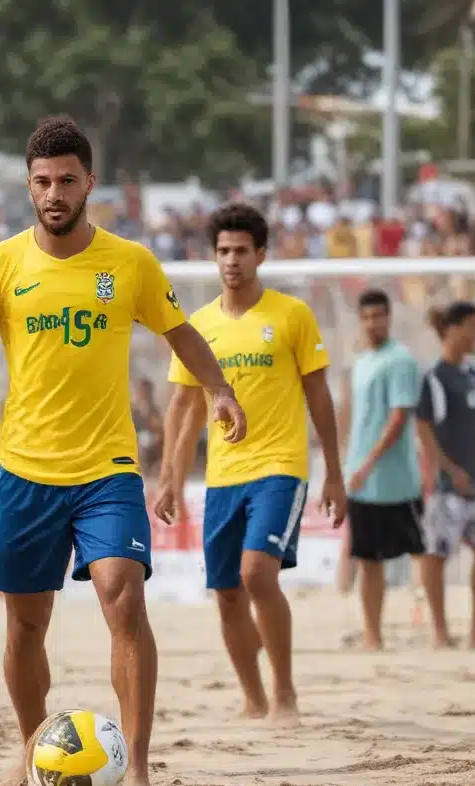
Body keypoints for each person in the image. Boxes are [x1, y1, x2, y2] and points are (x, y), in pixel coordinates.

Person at [0, 116, 245, 786]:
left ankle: (136, 766)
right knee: (24, 624)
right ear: (28, 185)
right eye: (42, 181)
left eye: (67, 180)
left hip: (107, 469)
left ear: (89, 184)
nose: (54, 191)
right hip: (25, 472)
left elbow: (181, 332)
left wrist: (219, 389)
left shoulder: (129, 263)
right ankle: (28, 743)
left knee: (122, 598)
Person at [154, 203, 345, 720]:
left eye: (241, 250)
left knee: (259, 573)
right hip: (222, 477)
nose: (231, 260)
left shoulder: (292, 316)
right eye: (222, 251)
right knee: (227, 593)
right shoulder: (198, 326)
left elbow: (320, 398)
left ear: (261, 254)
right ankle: (253, 697)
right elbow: (183, 408)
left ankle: (284, 692)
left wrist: (334, 471)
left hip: (281, 466)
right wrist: (169, 478)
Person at [342, 289, 425, 650]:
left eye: (379, 315)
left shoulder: (400, 360)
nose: (373, 322)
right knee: (368, 559)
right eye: (367, 316)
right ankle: (373, 636)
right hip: (362, 480)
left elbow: (398, 417)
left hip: (396, 480)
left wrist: (369, 461)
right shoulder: (361, 361)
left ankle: (432, 627)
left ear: (389, 318)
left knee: (421, 552)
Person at [416, 301, 475, 649]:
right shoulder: (435, 378)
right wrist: (448, 469)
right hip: (448, 487)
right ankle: (439, 631)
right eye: (472, 327)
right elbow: (423, 427)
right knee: (436, 555)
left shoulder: (473, 374)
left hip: (474, 483)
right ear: (453, 329)